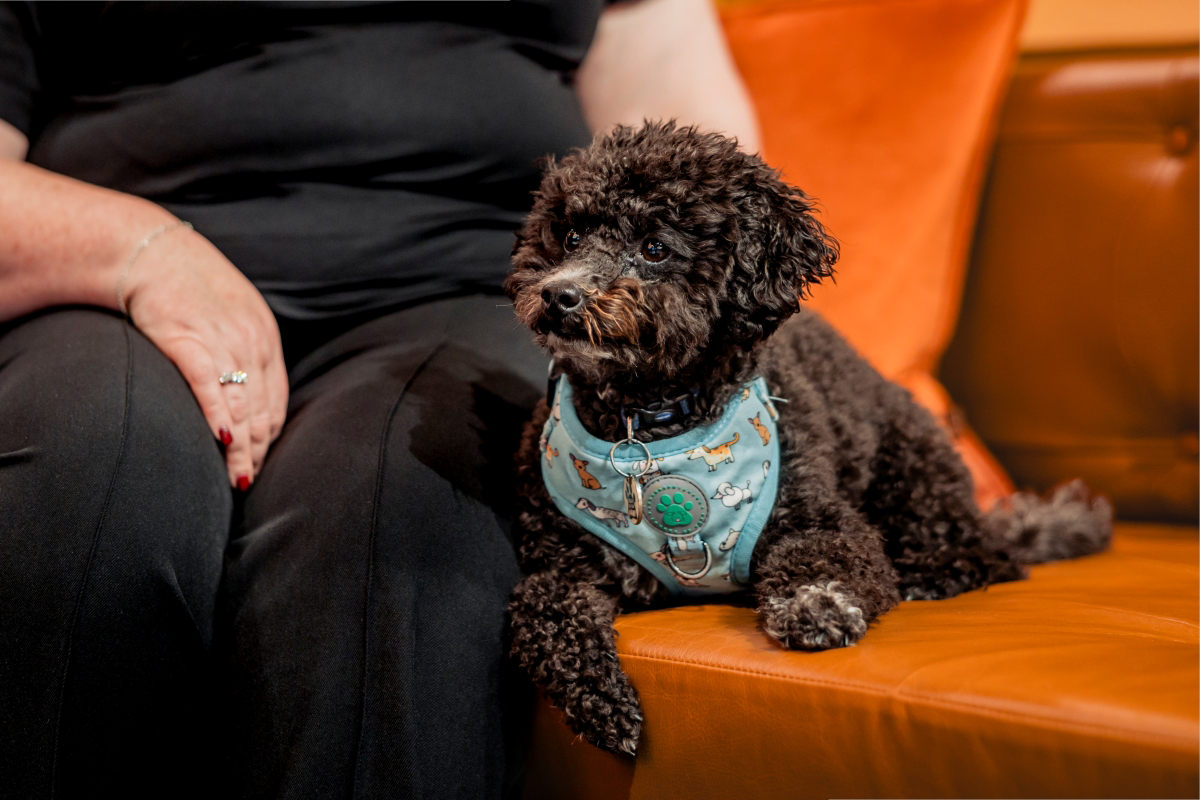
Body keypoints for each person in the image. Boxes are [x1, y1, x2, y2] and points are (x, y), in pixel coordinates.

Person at [0, 1, 758, 796]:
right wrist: (137, 252)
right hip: (107, 276)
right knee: (90, 485)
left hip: (468, 288)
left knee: (399, 521)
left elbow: (701, 177)